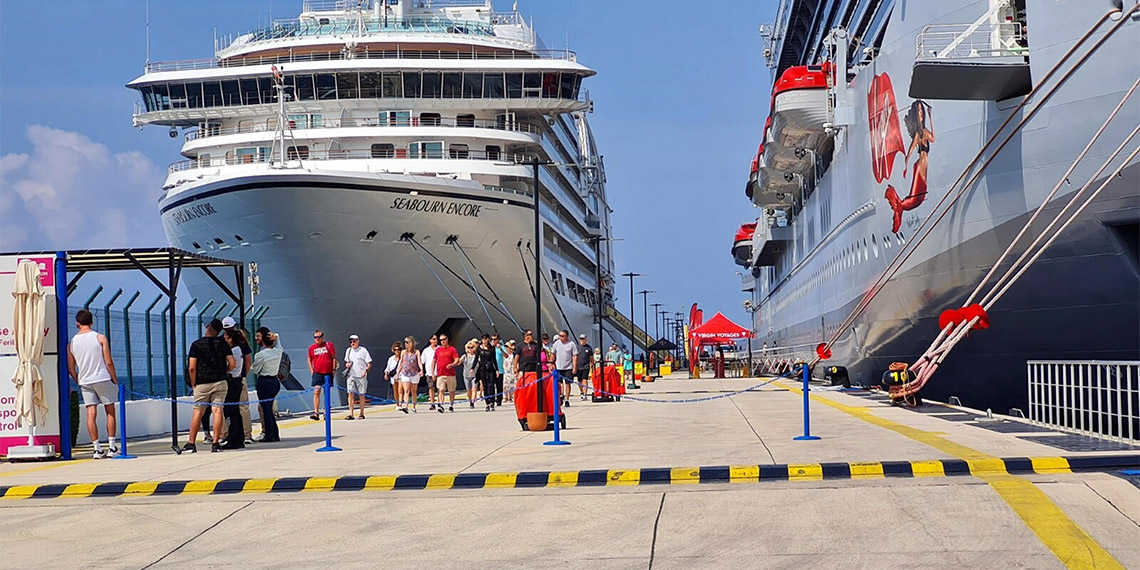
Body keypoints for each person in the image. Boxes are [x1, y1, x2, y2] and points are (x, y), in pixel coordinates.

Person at [67, 309, 119, 459]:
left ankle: (97, 449)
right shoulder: (100, 338)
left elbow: (71, 367)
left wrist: (77, 378)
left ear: (77, 323)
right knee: (110, 411)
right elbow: (108, 361)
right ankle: (112, 446)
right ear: (91, 322)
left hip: (85, 380)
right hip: (102, 378)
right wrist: (114, 379)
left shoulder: (72, 343)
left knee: (90, 414)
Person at [185, 319, 235, 453]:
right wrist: (225, 371)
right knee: (217, 411)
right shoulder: (223, 343)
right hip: (220, 381)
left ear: (208, 326)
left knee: (198, 412)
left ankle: (191, 443)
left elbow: (192, 367)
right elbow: (232, 363)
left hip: (202, 382)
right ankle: (215, 444)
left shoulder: (196, 345)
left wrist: (193, 382)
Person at [221, 317, 253, 444]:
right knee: (243, 407)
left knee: (224, 407)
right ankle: (246, 434)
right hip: (240, 377)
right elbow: (248, 361)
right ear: (234, 326)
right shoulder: (242, 342)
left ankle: (224, 433)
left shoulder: (221, 340)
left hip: (227, 378)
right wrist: (244, 374)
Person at [249, 327, 282, 442]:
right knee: (269, 408)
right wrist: (275, 336)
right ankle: (274, 433)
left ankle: (269, 434)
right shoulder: (278, 351)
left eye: (258, 336)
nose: (256, 338)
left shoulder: (260, 355)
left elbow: (255, 370)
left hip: (264, 382)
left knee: (266, 409)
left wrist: (249, 367)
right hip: (275, 381)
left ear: (264, 338)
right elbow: (278, 342)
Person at [307, 329, 337, 421]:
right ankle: (316, 412)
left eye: (319, 337)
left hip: (327, 372)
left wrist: (333, 369)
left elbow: (334, 357)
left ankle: (326, 412)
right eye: (315, 337)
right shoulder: (312, 348)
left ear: (323, 337)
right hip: (317, 373)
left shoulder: (329, 345)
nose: (317, 339)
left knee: (326, 392)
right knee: (317, 391)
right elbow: (309, 359)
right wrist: (312, 370)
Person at [343, 334, 372, 420]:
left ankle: (361, 413)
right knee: (350, 393)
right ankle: (351, 413)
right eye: (351, 341)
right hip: (351, 375)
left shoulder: (363, 350)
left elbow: (369, 363)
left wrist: (365, 370)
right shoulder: (348, 350)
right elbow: (346, 362)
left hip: (361, 376)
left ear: (358, 341)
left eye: (354, 341)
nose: (352, 343)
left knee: (361, 394)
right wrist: (347, 365)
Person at [433, 334, 460, 413]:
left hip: (450, 374)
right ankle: (441, 405)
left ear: (447, 339)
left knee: (451, 390)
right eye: (441, 340)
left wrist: (452, 364)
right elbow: (434, 361)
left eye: (444, 339)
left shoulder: (452, 349)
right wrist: (433, 373)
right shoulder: (438, 350)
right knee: (441, 390)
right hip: (440, 373)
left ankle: (451, 405)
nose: (443, 341)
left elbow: (456, 359)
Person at [551, 330, 578, 408]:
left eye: (562, 336)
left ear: (567, 336)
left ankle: (567, 399)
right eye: (560, 336)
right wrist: (551, 363)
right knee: (559, 383)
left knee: (567, 383)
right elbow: (553, 354)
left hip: (568, 367)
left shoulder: (571, 344)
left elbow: (575, 356)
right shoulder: (556, 344)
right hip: (558, 366)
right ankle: (561, 395)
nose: (561, 337)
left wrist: (574, 367)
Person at [397, 336, 422, 413]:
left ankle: (414, 407)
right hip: (405, 373)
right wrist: (398, 373)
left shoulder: (416, 352)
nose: (406, 344)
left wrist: (421, 370)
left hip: (414, 373)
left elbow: (419, 362)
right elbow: (401, 363)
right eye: (405, 342)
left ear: (411, 343)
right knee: (406, 390)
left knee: (414, 391)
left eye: (407, 342)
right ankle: (406, 406)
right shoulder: (403, 352)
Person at [475, 334, 499, 411]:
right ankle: (487, 403)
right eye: (483, 339)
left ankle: (492, 402)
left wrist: (497, 370)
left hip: (490, 368)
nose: (484, 340)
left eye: (485, 338)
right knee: (485, 386)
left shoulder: (492, 348)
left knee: (491, 385)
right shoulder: (479, 348)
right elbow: (476, 359)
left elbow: (494, 359)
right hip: (482, 369)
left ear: (488, 339)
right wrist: (472, 368)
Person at [385, 341, 404, 413]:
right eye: (395, 350)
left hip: (401, 376)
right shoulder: (391, 359)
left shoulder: (403, 358)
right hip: (393, 377)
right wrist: (386, 374)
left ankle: (401, 404)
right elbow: (388, 368)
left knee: (400, 391)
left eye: (398, 349)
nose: (397, 351)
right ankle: (397, 404)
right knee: (395, 391)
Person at [421, 335, 439, 411]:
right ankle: (432, 403)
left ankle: (440, 402)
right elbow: (422, 361)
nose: (436, 340)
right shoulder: (426, 351)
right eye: (434, 339)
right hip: (429, 372)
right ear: (430, 340)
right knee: (431, 388)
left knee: (440, 388)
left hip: (439, 371)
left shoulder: (440, 349)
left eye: (436, 339)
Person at [575, 333, 593, 402]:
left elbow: (591, 357)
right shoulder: (577, 347)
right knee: (579, 381)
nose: (582, 340)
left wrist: (592, 364)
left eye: (583, 339)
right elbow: (575, 356)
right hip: (578, 366)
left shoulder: (588, 348)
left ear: (586, 340)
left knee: (584, 380)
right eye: (581, 339)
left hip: (586, 366)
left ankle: (585, 393)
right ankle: (581, 392)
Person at [461, 340, 479, 408]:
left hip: (474, 375)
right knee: (468, 390)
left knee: (474, 389)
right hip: (466, 375)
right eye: (469, 347)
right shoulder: (465, 356)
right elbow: (459, 361)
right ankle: (470, 400)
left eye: (472, 347)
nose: (470, 349)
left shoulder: (476, 356)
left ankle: (472, 402)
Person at [491, 334, 506, 406]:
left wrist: (500, 349)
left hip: (500, 370)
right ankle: (492, 399)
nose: (493, 341)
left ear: (498, 340)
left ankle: (499, 399)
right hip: (491, 370)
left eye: (495, 339)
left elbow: (506, 355)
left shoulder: (501, 347)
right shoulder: (490, 348)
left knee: (499, 386)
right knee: (491, 385)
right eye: (492, 339)